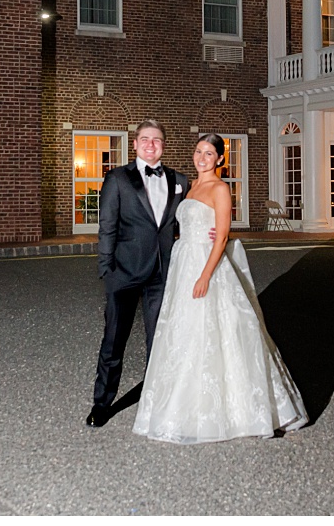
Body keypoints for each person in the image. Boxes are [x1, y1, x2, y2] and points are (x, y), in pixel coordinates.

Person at [132, 133, 307, 444]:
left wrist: (204, 276)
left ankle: (238, 412)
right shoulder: (190, 187)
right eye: (198, 151)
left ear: (220, 160)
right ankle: (183, 406)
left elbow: (222, 237)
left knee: (219, 334)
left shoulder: (220, 189)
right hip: (183, 264)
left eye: (209, 153)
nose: (202, 157)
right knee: (185, 334)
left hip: (205, 266)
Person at [88, 120, 186, 428]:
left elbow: (183, 225)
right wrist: (107, 269)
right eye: (145, 139)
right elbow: (107, 228)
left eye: (157, 140)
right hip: (124, 274)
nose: (150, 144)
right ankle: (102, 403)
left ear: (163, 145)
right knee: (114, 341)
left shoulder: (180, 180)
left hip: (162, 276)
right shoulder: (117, 179)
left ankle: (157, 401)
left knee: (159, 342)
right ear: (135, 144)